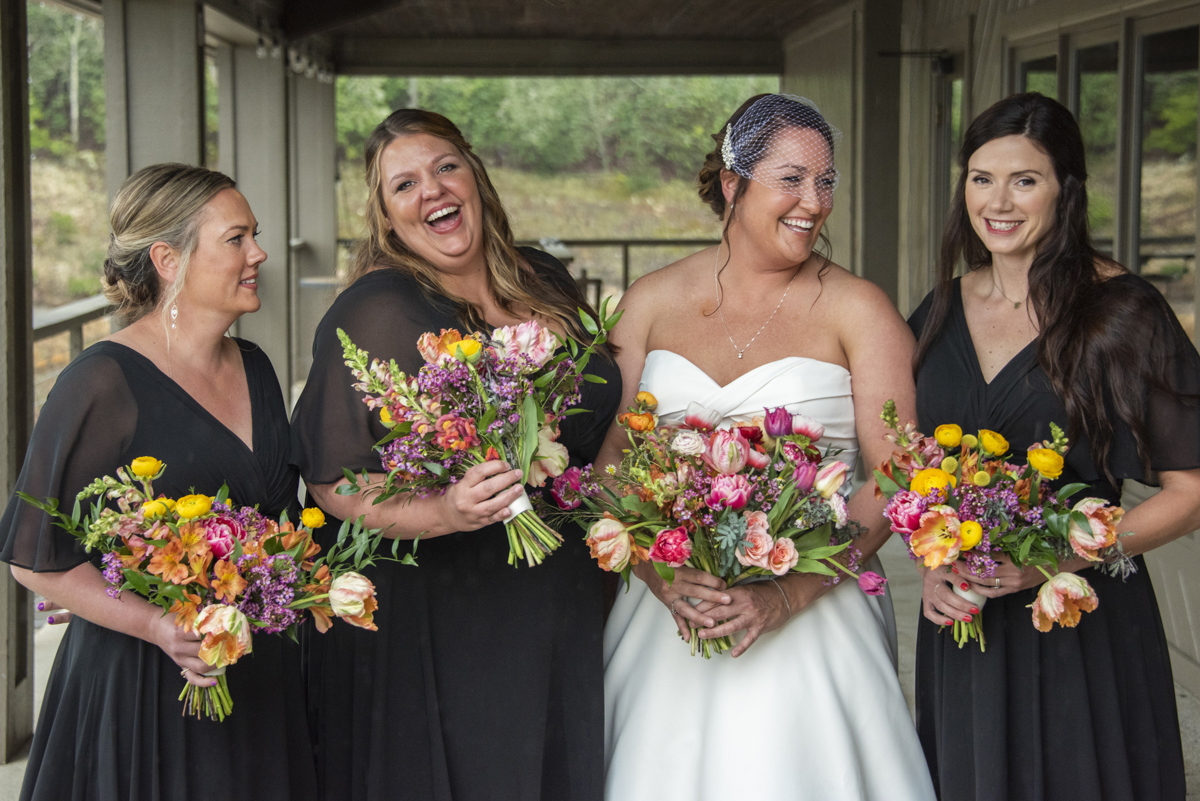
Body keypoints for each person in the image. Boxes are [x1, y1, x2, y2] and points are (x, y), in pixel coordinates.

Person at [598, 94, 936, 800]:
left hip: (816, 613)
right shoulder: (650, 302)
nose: (814, 201)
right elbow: (610, 464)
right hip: (672, 613)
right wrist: (663, 580)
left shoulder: (859, 309)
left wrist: (789, 591)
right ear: (732, 183)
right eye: (792, 178)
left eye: (827, 181)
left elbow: (898, 474)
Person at [290, 108, 621, 801]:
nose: (432, 190)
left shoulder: (546, 279)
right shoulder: (378, 309)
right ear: (386, 218)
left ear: (475, 176)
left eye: (445, 167)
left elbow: (603, 410)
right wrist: (446, 507)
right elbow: (332, 481)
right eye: (403, 184)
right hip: (451, 615)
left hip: (563, 595)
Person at [910, 92, 1200, 801]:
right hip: (965, 623)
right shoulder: (940, 308)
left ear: (1066, 191)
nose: (997, 201)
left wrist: (1055, 560)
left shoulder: (1124, 313)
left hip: (1079, 618)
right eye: (981, 177)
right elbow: (913, 467)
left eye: (1025, 179)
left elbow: (1191, 493)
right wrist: (932, 563)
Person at [0, 163, 316, 800]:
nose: (257, 254)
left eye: (254, 235)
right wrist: (158, 626)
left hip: (255, 676)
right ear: (168, 258)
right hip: (142, 687)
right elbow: (35, 561)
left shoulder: (255, 367)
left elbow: (282, 528)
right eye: (236, 239)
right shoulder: (101, 382)